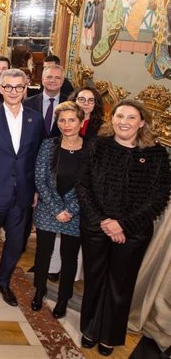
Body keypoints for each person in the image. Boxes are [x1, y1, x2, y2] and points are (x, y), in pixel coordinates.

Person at [77, 100, 170, 356]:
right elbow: (83, 187)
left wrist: (123, 225)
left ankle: (109, 334)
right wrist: (104, 222)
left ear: (142, 122)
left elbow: (158, 198)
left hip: (133, 232)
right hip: (97, 227)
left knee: (120, 285)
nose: (123, 122)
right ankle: (90, 328)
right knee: (95, 280)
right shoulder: (97, 146)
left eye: (131, 117)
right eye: (119, 116)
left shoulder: (156, 154)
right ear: (112, 118)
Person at [0, 69, 44, 306]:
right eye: (9, 87)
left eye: (19, 87)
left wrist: (35, 189)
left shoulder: (35, 119)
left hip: (23, 194)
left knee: (16, 242)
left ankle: (2, 282)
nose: (14, 92)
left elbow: (37, 157)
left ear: (26, 89)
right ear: (1, 89)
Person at [32, 101, 86, 319]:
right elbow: (40, 178)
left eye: (72, 119)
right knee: (43, 252)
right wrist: (56, 208)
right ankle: (39, 290)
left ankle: (64, 297)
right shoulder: (48, 145)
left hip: (75, 211)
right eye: (62, 120)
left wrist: (70, 209)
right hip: (48, 209)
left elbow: (88, 184)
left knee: (69, 257)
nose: (66, 124)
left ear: (81, 122)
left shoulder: (91, 148)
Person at [24, 65, 68, 138]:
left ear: (63, 81)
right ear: (42, 79)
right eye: (49, 77)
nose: (52, 80)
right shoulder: (27, 103)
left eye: (57, 77)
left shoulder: (69, 103)